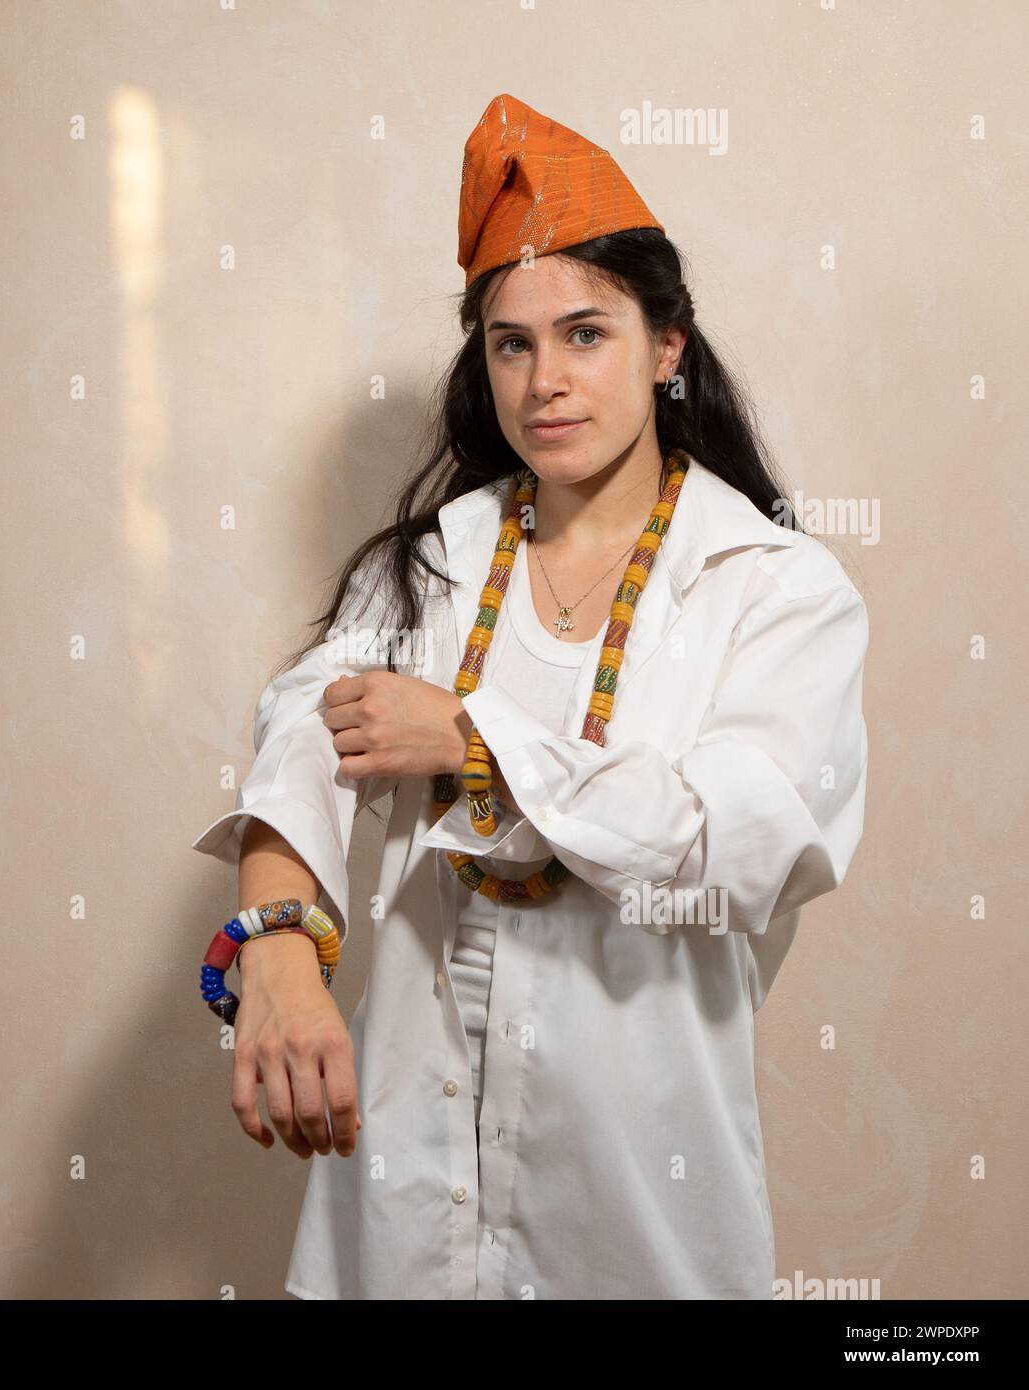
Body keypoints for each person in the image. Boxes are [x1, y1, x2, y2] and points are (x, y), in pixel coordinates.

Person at [192, 93, 869, 1299]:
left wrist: (467, 738)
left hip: (638, 1215)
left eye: (585, 334)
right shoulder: (434, 563)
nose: (544, 380)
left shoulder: (773, 590)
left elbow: (738, 838)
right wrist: (280, 958)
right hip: (400, 1211)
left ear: (667, 348)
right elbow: (302, 738)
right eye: (511, 344)